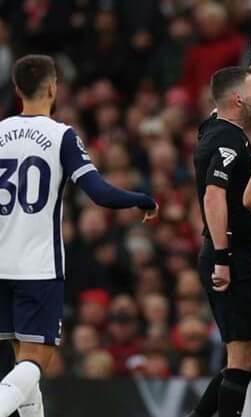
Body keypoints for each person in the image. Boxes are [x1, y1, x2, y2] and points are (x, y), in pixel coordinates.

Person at [0, 54, 158, 417]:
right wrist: (142, 198)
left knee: (21, 363)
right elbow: (99, 193)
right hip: (37, 266)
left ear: (16, 89)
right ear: (54, 87)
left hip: (1, 264)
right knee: (36, 360)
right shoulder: (60, 136)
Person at [188, 29, 251, 417]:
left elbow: (237, 88)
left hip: (227, 255)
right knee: (244, 358)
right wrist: (224, 258)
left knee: (250, 356)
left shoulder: (213, 125)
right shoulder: (228, 143)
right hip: (229, 257)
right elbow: (214, 196)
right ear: (238, 100)